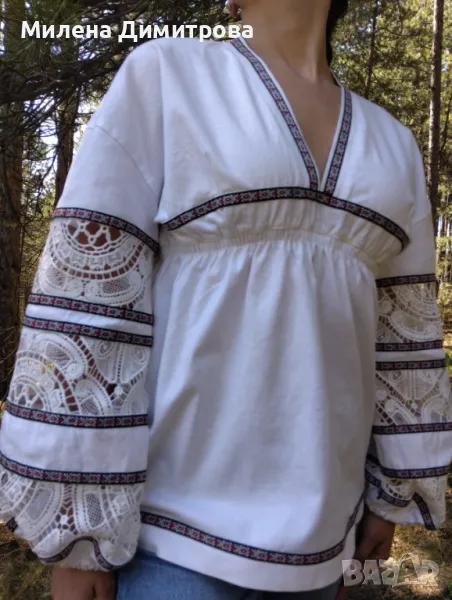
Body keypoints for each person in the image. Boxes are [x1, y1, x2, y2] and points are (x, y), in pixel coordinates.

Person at [1, 0, 451, 598]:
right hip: (171, 546)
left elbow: (403, 341)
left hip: (329, 548)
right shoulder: (169, 76)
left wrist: (391, 497)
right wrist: (81, 544)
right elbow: (89, 310)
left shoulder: (392, 143)